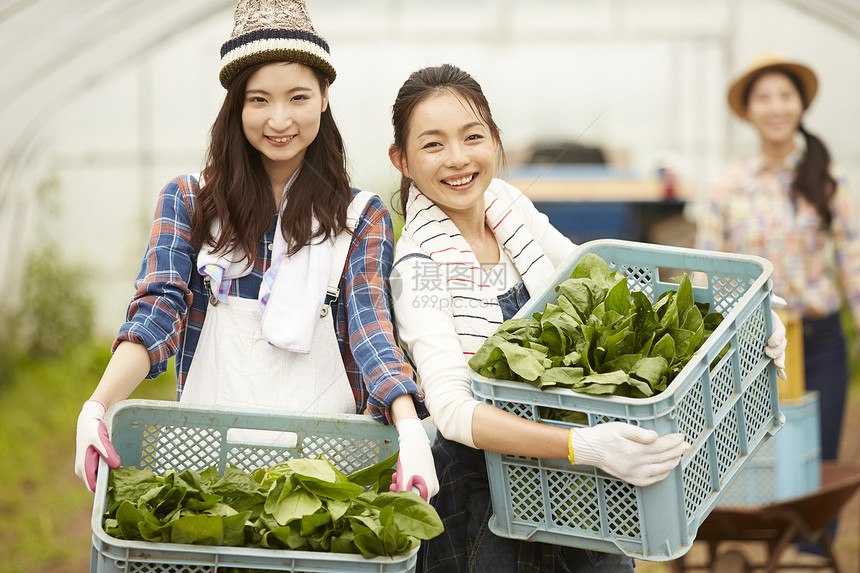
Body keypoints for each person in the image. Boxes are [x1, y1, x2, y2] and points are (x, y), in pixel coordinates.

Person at [386, 63, 789, 572]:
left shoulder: (509, 208)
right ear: (401, 159)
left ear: (495, 139)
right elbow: (453, 411)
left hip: (583, 495)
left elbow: (599, 281)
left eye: (473, 136)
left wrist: (734, 320)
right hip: (489, 500)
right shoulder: (416, 267)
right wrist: (583, 444)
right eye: (433, 144)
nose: (459, 159)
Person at [74, 0, 438, 502]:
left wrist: (409, 425)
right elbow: (158, 312)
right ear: (236, 105)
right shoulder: (189, 201)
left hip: (326, 476)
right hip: (204, 468)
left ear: (325, 95)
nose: (279, 119)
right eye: (259, 100)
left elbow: (369, 329)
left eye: (298, 97)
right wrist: (97, 405)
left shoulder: (360, 216)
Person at [696, 53, 859, 557]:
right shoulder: (726, 184)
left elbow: (853, 261)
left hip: (821, 338)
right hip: (753, 341)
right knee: (754, 450)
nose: (775, 107)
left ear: (800, 104)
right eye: (763, 97)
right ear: (748, 110)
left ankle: (812, 555)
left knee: (817, 455)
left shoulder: (827, 177)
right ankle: (757, 549)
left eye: (785, 96)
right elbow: (705, 267)